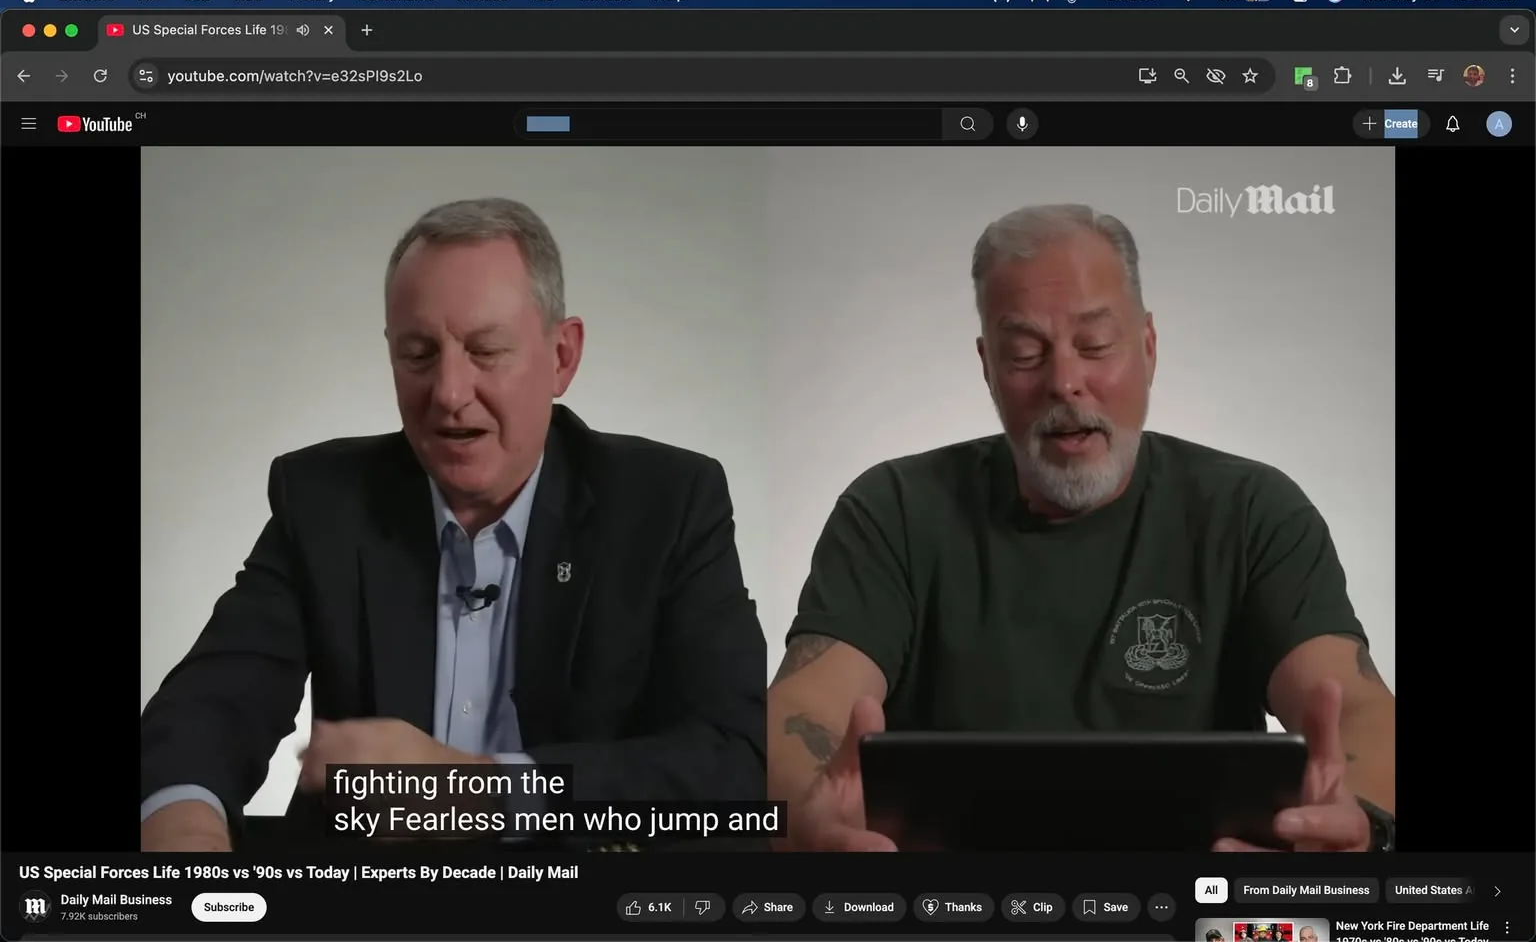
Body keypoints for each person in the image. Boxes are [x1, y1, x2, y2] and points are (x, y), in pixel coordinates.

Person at [141, 197, 767, 850]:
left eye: (485, 351)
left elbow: (735, 760)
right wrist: (184, 827)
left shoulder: (666, 504)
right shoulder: (325, 501)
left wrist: (476, 788)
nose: (448, 392)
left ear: (561, 356)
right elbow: (207, 710)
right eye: (418, 354)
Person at [767, 203, 1395, 852]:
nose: (1065, 383)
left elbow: (1355, 705)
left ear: (1148, 349)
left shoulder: (1251, 511)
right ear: (987, 367)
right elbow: (804, 708)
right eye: (1024, 354)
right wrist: (805, 821)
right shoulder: (893, 510)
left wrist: (1362, 823)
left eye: (1095, 346)